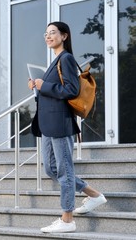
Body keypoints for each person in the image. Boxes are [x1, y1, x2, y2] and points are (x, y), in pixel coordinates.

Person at [28, 21, 107, 233]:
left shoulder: (67, 59)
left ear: (64, 36)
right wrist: (38, 87)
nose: (48, 36)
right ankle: (94, 195)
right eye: (46, 33)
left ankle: (67, 219)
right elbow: (55, 91)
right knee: (51, 169)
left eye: (53, 32)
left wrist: (44, 85)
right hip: (47, 124)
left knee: (64, 170)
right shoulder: (55, 61)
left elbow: (71, 90)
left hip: (60, 123)